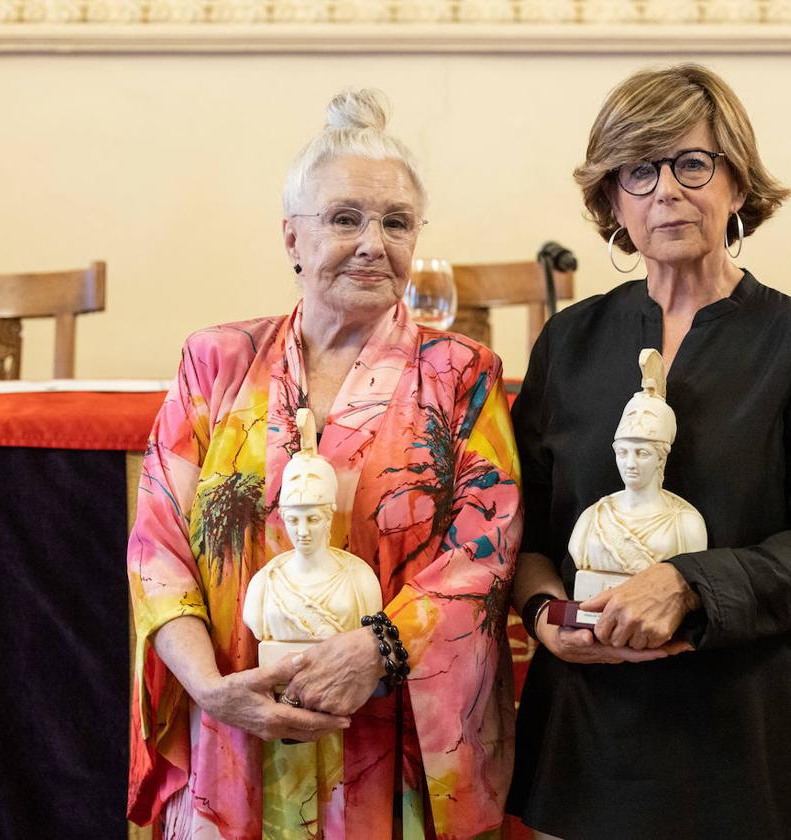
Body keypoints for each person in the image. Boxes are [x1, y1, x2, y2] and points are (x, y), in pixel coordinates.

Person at [127, 89, 521, 840]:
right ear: (292, 239)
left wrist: (376, 649)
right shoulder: (217, 362)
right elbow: (157, 545)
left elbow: (483, 551)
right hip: (237, 730)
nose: (373, 242)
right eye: (345, 218)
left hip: (387, 738)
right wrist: (210, 687)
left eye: (396, 222)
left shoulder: (462, 374)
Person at [507, 64, 791, 840]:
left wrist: (689, 584)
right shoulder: (568, 343)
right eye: (639, 170)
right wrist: (544, 613)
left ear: (737, 184)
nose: (666, 189)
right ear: (612, 202)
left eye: (691, 163)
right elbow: (525, 533)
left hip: (742, 736)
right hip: (586, 732)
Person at [241, 409, 382, 653]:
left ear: (329, 518)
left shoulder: (361, 580)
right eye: (294, 520)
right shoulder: (264, 585)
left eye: (313, 519)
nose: (303, 531)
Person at [567, 349, 707, 585]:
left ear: (661, 458)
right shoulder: (592, 519)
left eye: (642, 453)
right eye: (623, 452)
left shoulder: (686, 525)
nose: (630, 464)